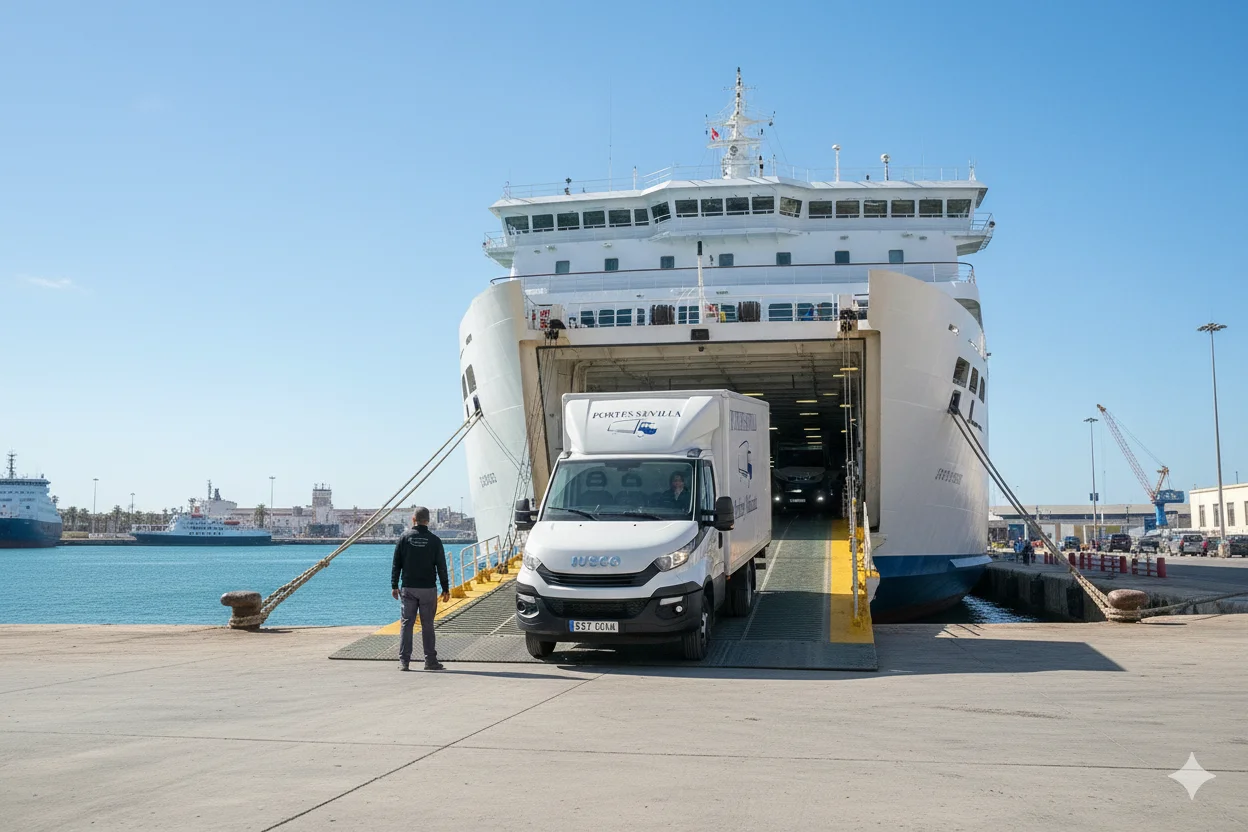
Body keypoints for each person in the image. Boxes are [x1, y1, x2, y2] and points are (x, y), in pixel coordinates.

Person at [391, 507, 450, 671]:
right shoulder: (435, 540)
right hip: (428, 589)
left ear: (413, 519)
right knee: (428, 625)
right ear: (428, 521)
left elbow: (397, 564)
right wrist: (446, 589)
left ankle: (404, 661)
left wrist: (394, 585)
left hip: (408, 588)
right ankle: (430, 661)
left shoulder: (404, 538)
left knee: (406, 624)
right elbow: (441, 567)